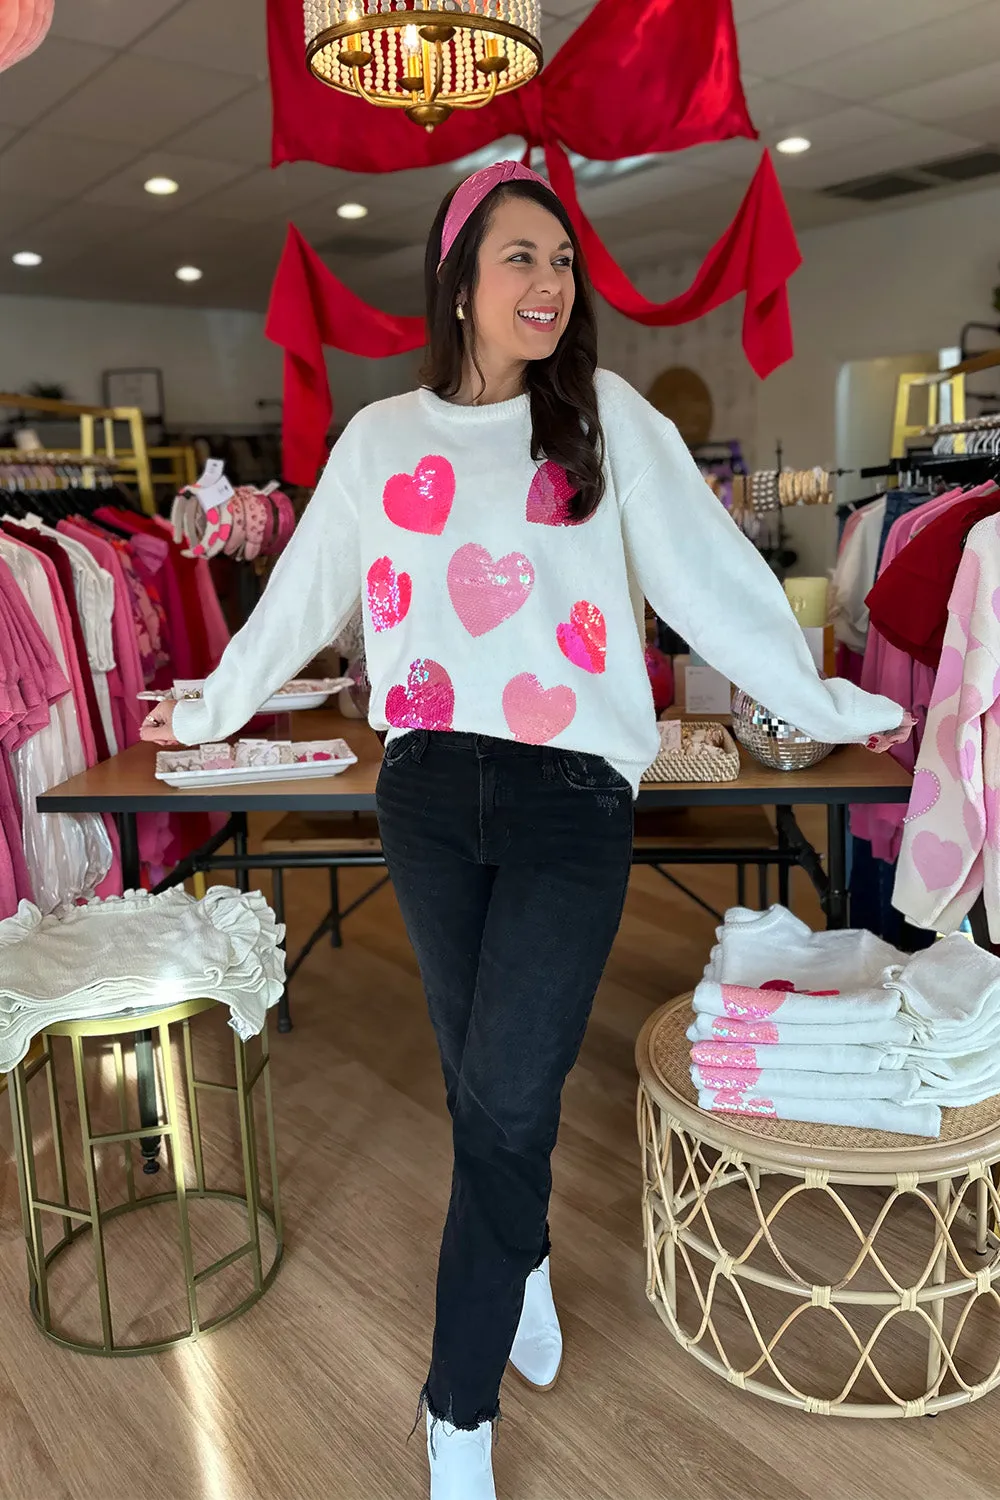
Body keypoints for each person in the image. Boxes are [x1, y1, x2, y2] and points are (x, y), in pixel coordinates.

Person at [141, 160, 909, 1499]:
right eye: (519, 257)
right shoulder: (383, 442)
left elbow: (714, 585)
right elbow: (304, 600)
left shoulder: (605, 422)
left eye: (563, 260)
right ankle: (529, 1252)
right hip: (428, 796)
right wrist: (212, 699)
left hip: (570, 804)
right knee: (482, 1079)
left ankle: (456, 1406)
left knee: (503, 1096)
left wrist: (811, 690)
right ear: (459, 281)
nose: (549, 283)